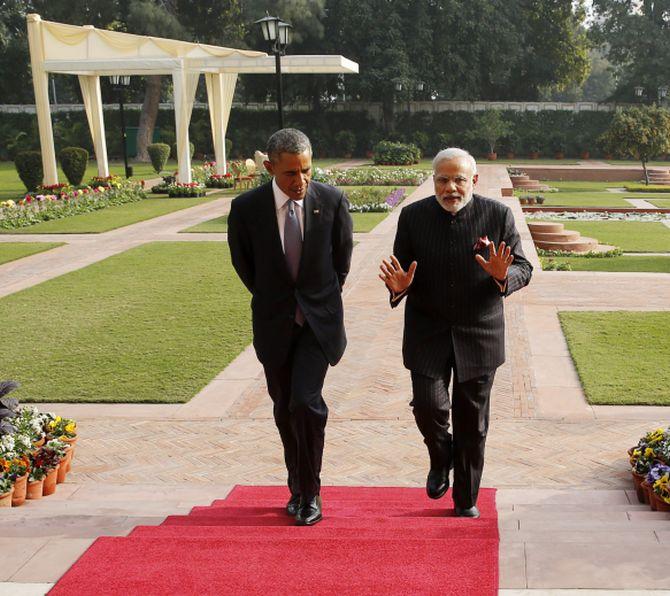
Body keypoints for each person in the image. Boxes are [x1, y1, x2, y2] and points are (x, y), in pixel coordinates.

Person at [379, 147, 532, 518]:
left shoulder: (497, 215)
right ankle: (440, 455)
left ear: (474, 181)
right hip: (427, 332)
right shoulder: (413, 217)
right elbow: (401, 271)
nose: (451, 188)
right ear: (433, 181)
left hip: (479, 334)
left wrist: (502, 276)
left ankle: (465, 498)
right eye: (443, 180)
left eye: (459, 179)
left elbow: (524, 268)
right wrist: (398, 287)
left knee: (472, 421)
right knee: (429, 406)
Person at [227, 128, 353, 526]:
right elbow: (246, 267)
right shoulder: (246, 209)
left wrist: (316, 304)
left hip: (318, 325)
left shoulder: (332, 201)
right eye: (290, 174)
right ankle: (296, 486)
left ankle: (311, 492)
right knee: (284, 409)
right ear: (269, 167)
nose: (300, 182)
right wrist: (278, 301)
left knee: (306, 402)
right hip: (275, 326)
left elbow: (341, 263)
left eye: (306, 171)